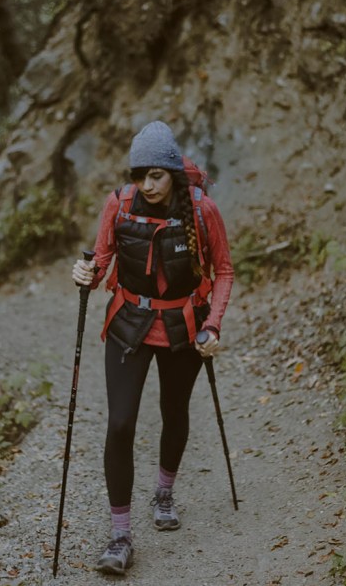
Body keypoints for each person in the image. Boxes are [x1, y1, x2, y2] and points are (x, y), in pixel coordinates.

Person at [71, 120, 234, 575]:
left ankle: (164, 492)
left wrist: (214, 325)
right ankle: (120, 536)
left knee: (174, 410)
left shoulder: (202, 210)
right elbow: (100, 263)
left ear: (172, 171)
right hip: (129, 323)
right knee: (120, 423)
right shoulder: (119, 204)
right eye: (139, 175)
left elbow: (223, 272)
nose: (147, 184)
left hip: (183, 324)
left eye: (156, 175)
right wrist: (84, 274)